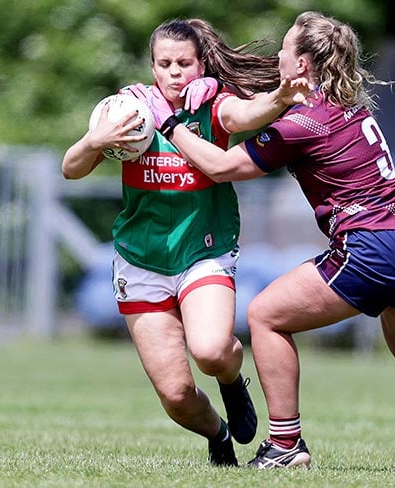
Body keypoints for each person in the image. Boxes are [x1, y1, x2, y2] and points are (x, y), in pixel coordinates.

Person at [139, 11, 395, 475]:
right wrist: (213, 89)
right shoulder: (347, 104)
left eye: (285, 48)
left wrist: (170, 123)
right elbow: (265, 105)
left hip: (375, 246)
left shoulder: (302, 123)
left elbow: (220, 167)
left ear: (302, 64)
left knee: (265, 316)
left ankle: (285, 444)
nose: (277, 53)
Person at [61, 18, 308, 467]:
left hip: (203, 252)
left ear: (200, 64)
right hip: (141, 260)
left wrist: (278, 98)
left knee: (212, 351)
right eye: (164, 63)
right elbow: (71, 168)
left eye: (184, 63)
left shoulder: (213, 103)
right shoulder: (129, 113)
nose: (175, 72)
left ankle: (232, 382)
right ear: (152, 67)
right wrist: (96, 139)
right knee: (176, 396)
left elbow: (246, 116)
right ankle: (218, 433)